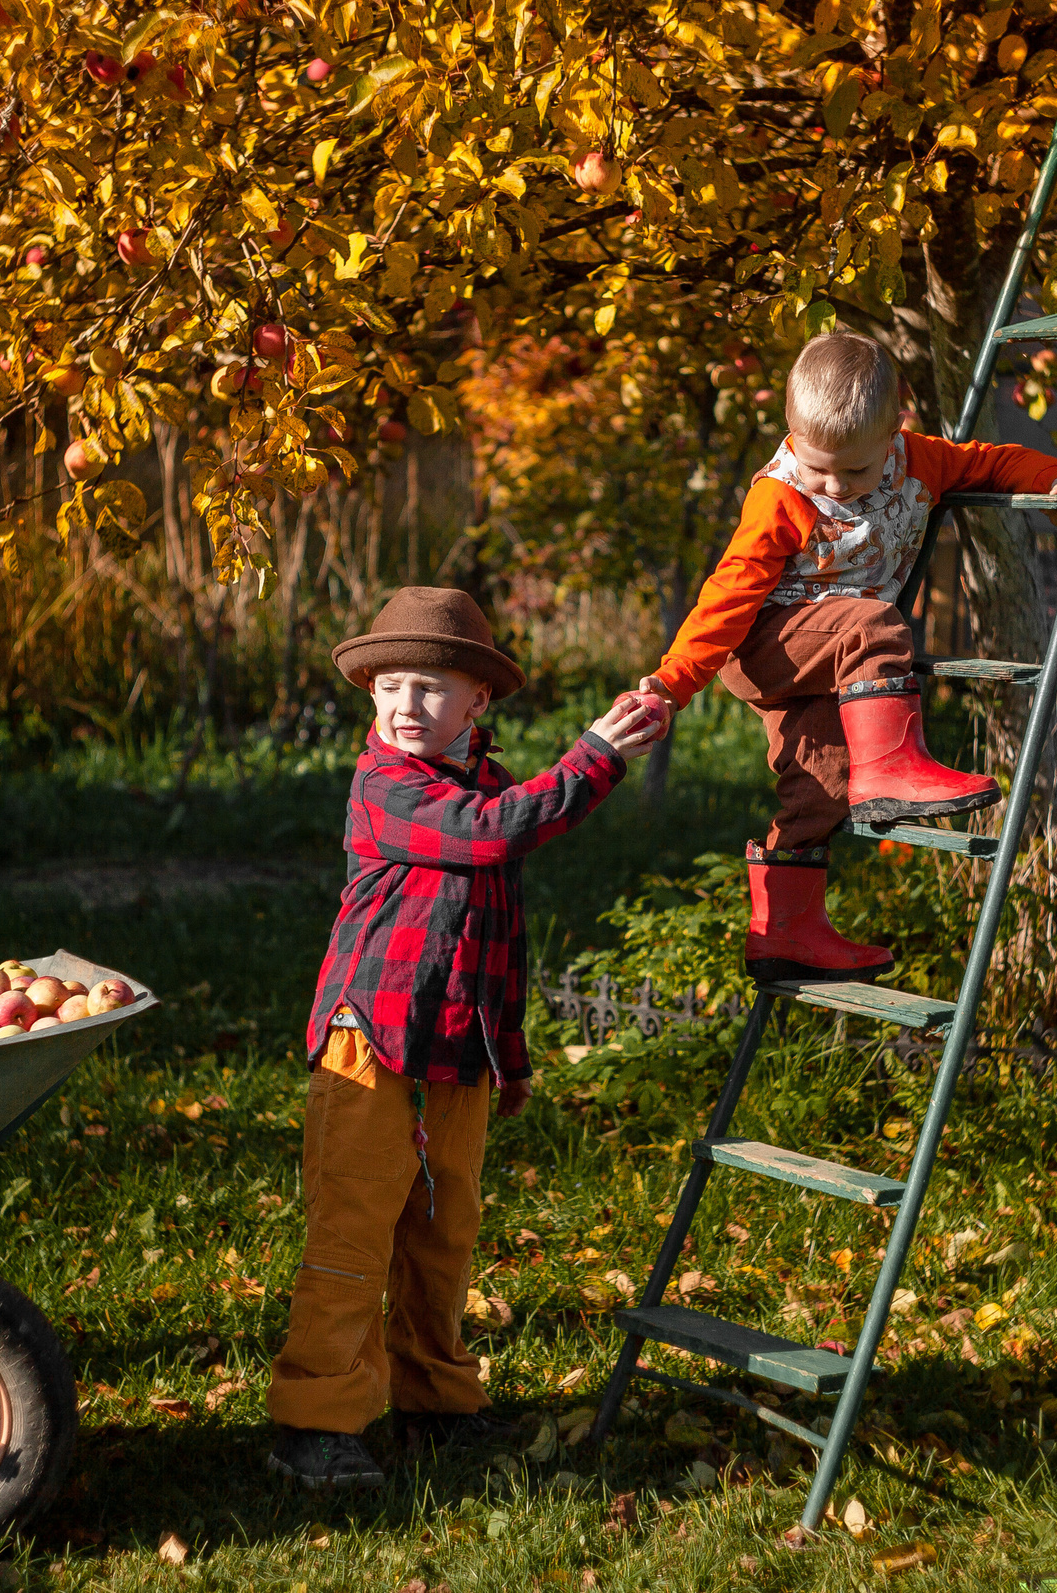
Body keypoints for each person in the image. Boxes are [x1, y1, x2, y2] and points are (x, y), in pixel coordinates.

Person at [265, 586, 663, 1488]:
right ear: (370, 694)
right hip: (371, 1040)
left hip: (455, 1047)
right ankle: (315, 1417)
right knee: (352, 1231)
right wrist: (594, 757)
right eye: (393, 686)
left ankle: (434, 1397)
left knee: (445, 1230)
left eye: (433, 689)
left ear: (477, 700)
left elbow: (498, 938)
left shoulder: (478, 778)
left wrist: (507, 1054)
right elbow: (493, 839)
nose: (409, 707)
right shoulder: (387, 785)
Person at [638, 330, 1057, 984]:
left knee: (822, 781)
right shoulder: (782, 497)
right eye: (819, 466)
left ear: (895, 431)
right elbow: (726, 598)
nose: (835, 485)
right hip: (768, 643)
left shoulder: (920, 459)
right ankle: (894, 765)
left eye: (856, 471)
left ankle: (786, 934)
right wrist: (671, 684)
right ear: (792, 431)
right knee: (876, 623)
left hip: (836, 659)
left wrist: (1049, 479)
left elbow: (987, 459)